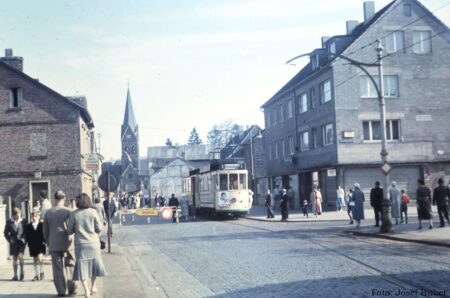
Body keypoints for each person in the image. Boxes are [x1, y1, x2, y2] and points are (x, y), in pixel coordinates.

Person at [68, 193, 106, 298]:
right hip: (93, 244)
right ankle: (93, 287)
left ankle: (86, 291)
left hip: (80, 245)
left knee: (82, 268)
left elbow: (70, 231)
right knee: (94, 266)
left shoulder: (73, 214)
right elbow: (99, 229)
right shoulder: (93, 212)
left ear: (78, 202)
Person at [43, 190, 77, 296]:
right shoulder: (69, 211)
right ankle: (72, 288)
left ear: (54, 199)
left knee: (57, 268)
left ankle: (61, 291)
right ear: (64, 198)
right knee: (70, 264)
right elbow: (73, 228)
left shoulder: (48, 213)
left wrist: (48, 242)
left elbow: (45, 231)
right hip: (68, 242)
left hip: (54, 243)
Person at [3, 207, 27, 281]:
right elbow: (5, 232)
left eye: (19, 214)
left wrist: (25, 239)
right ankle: (15, 275)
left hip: (21, 241)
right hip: (13, 242)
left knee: (20, 256)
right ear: (13, 215)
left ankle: (22, 272)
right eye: (16, 215)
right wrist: (9, 239)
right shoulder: (9, 222)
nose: (18, 216)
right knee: (14, 258)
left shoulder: (23, 221)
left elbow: (26, 231)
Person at [26, 210, 46, 281]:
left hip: (40, 244)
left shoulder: (42, 225)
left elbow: (45, 233)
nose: (34, 218)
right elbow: (27, 235)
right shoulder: (28, 226)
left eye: (36, 216)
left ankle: (42, 271)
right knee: (35, 260)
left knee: (40, 258)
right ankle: (36, 275)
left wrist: (45, 241)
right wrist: (28, 242)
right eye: (33, 216)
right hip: (32, 244)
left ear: (38, 217)